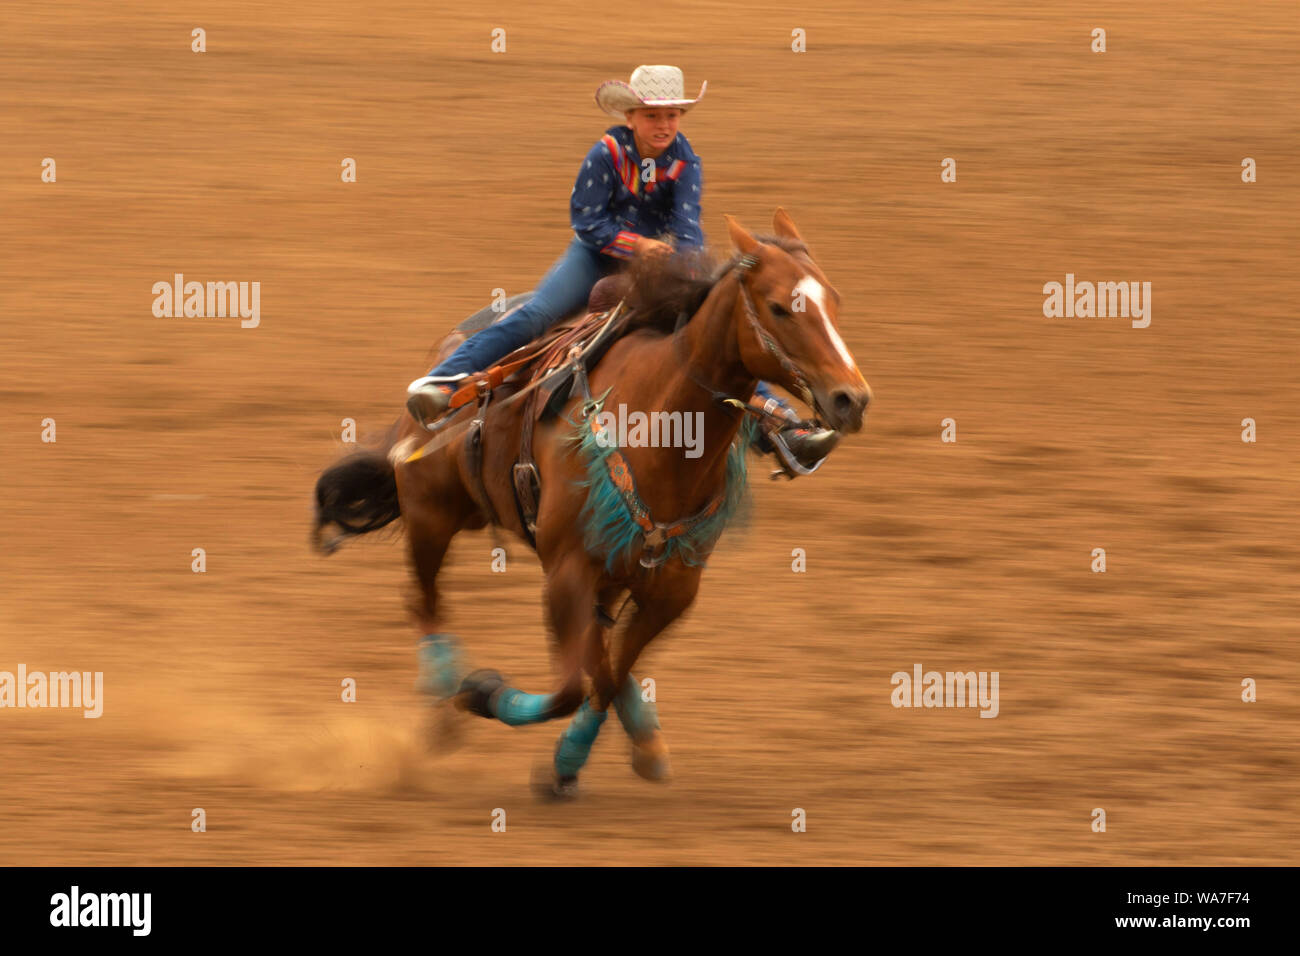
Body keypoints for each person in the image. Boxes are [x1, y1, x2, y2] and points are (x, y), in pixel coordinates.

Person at [406, 65, 838, 475]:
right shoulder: (605, 154)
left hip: (658, 268)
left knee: (713, 331)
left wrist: (688, 274)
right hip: (595, 256)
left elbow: (687, 227)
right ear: (631, 116)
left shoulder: (687, 162)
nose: (664, 125)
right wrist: (638, 246)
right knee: (539, 314)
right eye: (653, 115)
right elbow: (587, 220)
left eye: (672, 115)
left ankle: (782, 430)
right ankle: (442, 383)